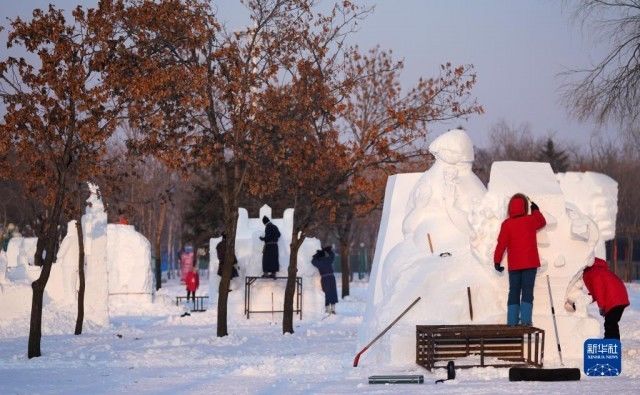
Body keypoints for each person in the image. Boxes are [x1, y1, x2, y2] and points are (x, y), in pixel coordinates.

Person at [493, 193, 546, 326]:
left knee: (514, 291)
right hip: (530, 264)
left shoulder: (507, 224)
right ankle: (526, 321)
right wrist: (536, 210)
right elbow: (542, 221)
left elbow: (501, 244)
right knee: (527, 291)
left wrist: (497, 261)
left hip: (515, 266)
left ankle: (512, 322)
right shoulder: (530, 220)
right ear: (524, 206)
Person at [564, 257, 630, 339]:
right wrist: (583, 300)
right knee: (611, 323)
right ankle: (612, 344)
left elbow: (599, 290)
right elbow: (596, 292)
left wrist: (601, 307)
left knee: (610, 323)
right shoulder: (598, 270)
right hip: (620, 297)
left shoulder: (592, 273)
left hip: (614, 299)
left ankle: (611, 345)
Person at [312, 245, 338, 314]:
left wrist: (316, 255)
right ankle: (333, 308)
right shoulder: (328, 260)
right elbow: (333, 256)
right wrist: (329, 251)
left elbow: (313, 261)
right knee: (333, 292)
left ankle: (327, 309)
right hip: (332, 278)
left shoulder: (318, 262)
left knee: (326, 292)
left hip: (324, 278)